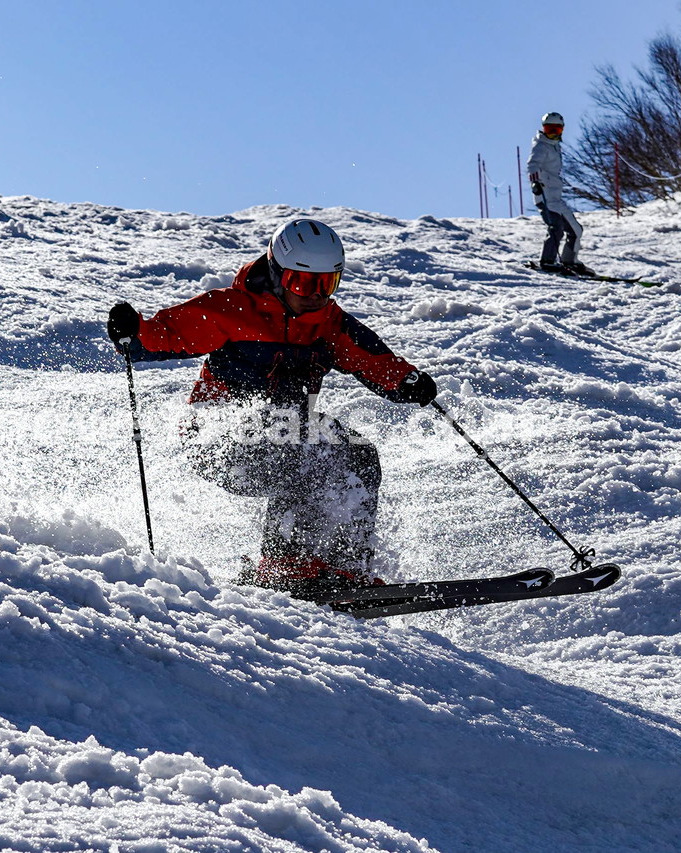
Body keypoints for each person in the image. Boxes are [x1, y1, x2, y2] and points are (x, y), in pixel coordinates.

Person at [106, 219, 438, 602]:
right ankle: (284, 563)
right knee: (299, 440)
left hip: (286, 432)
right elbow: (164, 337)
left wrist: (406, 381)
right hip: (217, 438)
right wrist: (133, 332)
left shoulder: (330, 325)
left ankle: (344, 567)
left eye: (326, 284)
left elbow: (374, 361)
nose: (315, 295)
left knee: (357, 454)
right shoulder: (232, 310)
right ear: (279, 275)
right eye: (303, 283)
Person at [526, 111, 589, 274]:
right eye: (549, 129)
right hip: (545, 195)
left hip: (556, 197)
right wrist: (535, 183)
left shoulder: (554, 146)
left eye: (557, 130)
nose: (553, 134)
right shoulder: (541, 145)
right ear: (543, 129)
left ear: (562, 130)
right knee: (556, 228)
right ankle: (547, 260)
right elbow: (532, 165)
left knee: (576, 230)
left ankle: (570, 261)